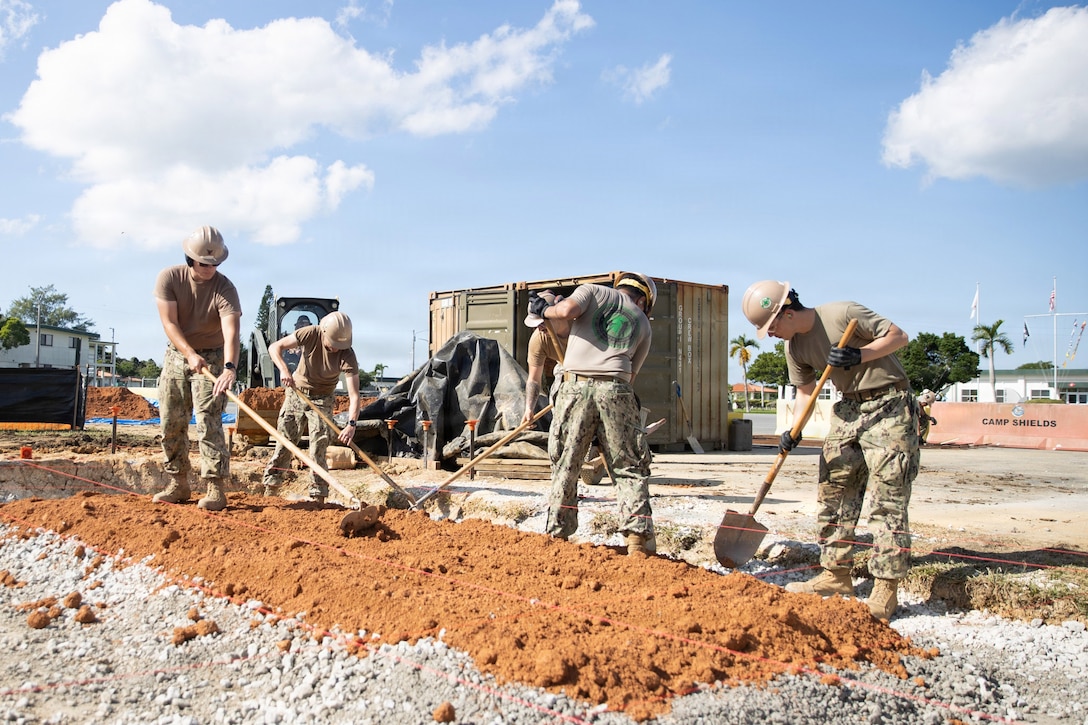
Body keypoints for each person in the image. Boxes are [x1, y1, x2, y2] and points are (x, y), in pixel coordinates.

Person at [741, 280, 920, 621]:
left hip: (890, 404)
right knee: (834, 491)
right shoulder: (793, 349)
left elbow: (899, 336)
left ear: (787, 313)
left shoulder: (843, 313)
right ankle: (836, 575)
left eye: (772, 326)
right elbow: (806, 392)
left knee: (888, 498)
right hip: (848, 409)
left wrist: (860, 354)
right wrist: (793, 430)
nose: (772, 334)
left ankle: (886, 584)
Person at [531, 272, 656, 555]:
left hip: (576, 386)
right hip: (617, 390)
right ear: (643, 300)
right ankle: (637, 540)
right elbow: (630, 376)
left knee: (566, 464)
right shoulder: (644, 323)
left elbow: (565, 311)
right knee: (628, 467)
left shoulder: (593, 291)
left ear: (620, 287)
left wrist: (543, 309)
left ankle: (558, 536)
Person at [152, 225, 242, 511]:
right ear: (191, 258)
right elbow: (169, 323)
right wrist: (189, 353)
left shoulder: (225, 288)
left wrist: (229, 368)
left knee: (209, 422)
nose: (210, 269)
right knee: (170, 422)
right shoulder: (169, 278)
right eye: (205, 263)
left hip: (214, 359)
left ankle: (215, 489)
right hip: (178, 357)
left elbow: (231, 333)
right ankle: (178, 484)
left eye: (215, 264)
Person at [261, 311, 361, 504]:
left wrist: (351, 424)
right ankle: (271, 489)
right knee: (285, 443)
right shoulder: (310, 333)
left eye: (339, 345)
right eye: (332, 343)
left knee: (319, 449)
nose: (334, 348)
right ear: (323, 332)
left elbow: (354, 395)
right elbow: (275, 347)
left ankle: (318, 496)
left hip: (323, 399)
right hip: (297, 393)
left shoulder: (347, 354)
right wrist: (284, 369)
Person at [522, 290, 570, 425]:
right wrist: (529, 408)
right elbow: (534, 379)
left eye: (542, 322)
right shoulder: (538, 339)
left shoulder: (579, 325)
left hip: (591, 370)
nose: (540, 328)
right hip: (564, 371)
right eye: (536, 324)